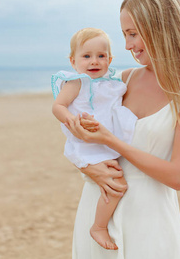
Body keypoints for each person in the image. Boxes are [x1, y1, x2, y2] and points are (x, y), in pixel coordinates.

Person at [64, 0, 180, 259]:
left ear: (160, 27)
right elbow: (81, 140)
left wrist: (110, 140)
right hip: (96, 211)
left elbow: (179, 176)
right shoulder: (122, 81)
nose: (127, 45)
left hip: (150, 221)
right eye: (124, 34)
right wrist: (90, 170)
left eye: (133, 33)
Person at [51, 28, 137, 250]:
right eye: (86, 56)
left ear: (110, 59)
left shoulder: (111, 84)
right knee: (117, 183)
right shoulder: (76, 83)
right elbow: (58, 106)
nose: (94, 61)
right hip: (86, 145)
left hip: (105, 143)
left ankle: (102, 223)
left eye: (101, 56)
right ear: (73, 61)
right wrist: (71, 120)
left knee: (115, 179)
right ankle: (99, 226)